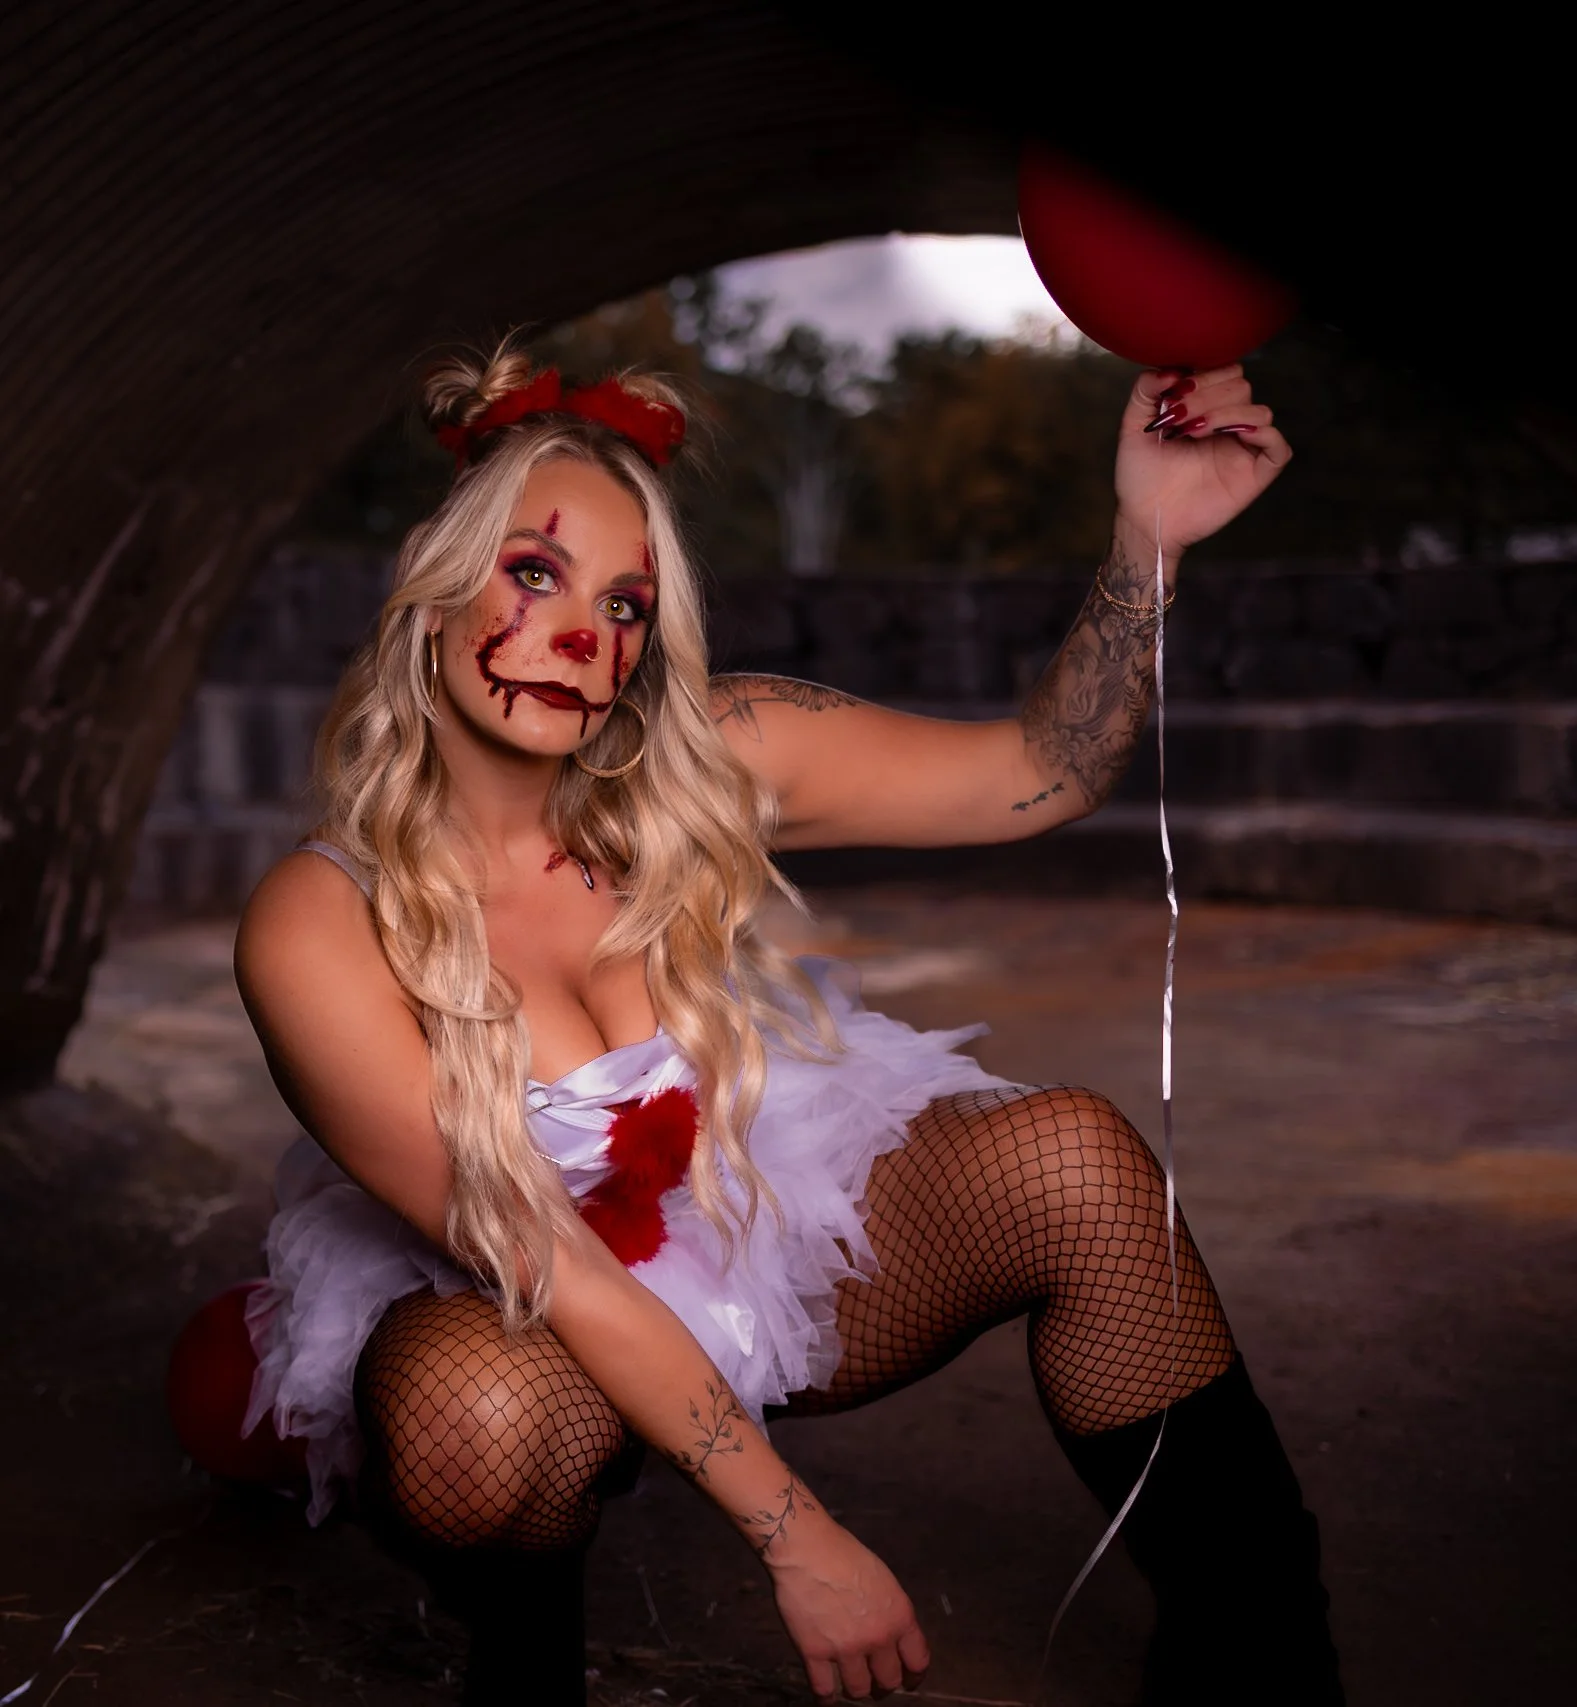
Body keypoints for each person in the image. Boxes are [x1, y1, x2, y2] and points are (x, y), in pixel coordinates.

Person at [233, 337, 1343, 1705]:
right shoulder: (318, 920)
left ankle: (1262, 1646)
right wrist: (797, 1535)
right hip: (514, 1305)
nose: (587, 638)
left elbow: (1042, 770)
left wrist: (1147, 543)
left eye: (628, 604)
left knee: (1081, 1166)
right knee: (482, 1428)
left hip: (746, 1232)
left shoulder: (702, 751)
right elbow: (550, 1261)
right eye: (536, 573)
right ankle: (523, 1671)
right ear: (435, 581)